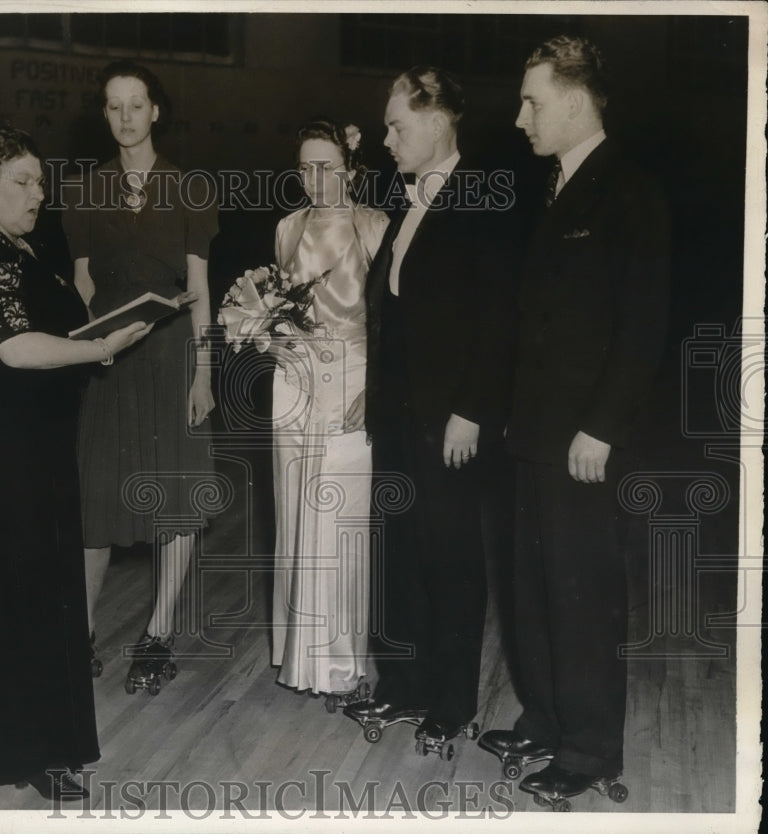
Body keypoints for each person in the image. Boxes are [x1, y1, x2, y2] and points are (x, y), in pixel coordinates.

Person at [478, 36, 669, 807]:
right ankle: (547, 718)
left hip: (585, 441)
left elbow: (643, 325)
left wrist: (604, 426)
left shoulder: (629, 191)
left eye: (533, 101)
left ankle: (588, 749)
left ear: (576, 100)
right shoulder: (554, 187)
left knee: (581, 593)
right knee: (534, 588)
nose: (521, 116)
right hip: (533, 435)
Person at [0, 126, 149, 800]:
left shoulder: (13, 245)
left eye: (41, 181)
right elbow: (16, 349)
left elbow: (51, 329)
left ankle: (35, 744)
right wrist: (97, 348)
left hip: (32, 448)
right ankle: (29, 751)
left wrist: (93, 336)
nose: (38, 193)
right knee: (17, 596)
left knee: (34, 594)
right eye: (22, 181)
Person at [344, 67, 517, 749]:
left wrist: (471, 411)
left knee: (449, 558)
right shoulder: (404, 197)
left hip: (449, 421)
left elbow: (499, 319)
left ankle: (450, 701)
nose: (388, 139)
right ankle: (403, 686)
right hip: (398, 418)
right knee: (399, 553)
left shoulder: (484, 199)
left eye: (398, 125)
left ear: (440, 118)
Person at [64, 61, 218, 693]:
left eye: (136, 105)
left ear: (156, 112)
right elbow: (82, 280)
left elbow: (200, 290)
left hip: (171, 357)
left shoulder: (190, 188)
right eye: (113, 106)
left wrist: (204, 374)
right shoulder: (83, 191)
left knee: (174, 503)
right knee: (95, 499)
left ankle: (158, 635)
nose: (125, 117)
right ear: (104, 114)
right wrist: (100, 335)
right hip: (110, 358)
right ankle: (80, 635)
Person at [270, 118, 388, 708]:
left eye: (326, 167)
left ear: (349, 168)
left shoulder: (373, 225)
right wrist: (268, 335)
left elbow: (390, 318)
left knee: (341, 521)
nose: (314, 179)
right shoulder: (287, 227)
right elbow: (276, 307)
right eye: (304, 167)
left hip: (352, 380)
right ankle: (300, 650)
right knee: (295, 515)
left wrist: (379, 383)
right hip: (291, 382)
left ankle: (344, 663)